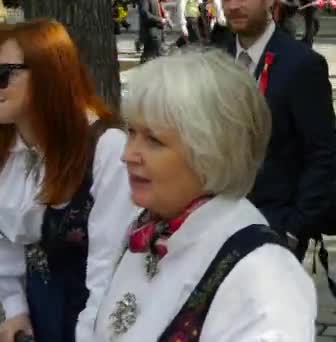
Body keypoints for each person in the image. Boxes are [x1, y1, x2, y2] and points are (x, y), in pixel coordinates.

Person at [93, 50, 317, 341]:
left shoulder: (262, 277)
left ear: (211, 153)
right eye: (131, 132)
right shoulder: (149, 228)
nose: (127, 155)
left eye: (153, 140)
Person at [0, 19, 137, 342]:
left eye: (3, 74)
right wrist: (15, 307)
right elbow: (5, 238)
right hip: (39, 318)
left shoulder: (105, 148)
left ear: (48, 76)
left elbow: (109, 268)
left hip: (91, 320)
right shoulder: (9, 148)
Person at [223, 0, 336, 261]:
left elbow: (322, 154)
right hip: (216, 221)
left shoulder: (301, 64)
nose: (233, 5)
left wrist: (293, 230)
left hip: (272, 224)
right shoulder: (215, 57)